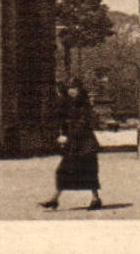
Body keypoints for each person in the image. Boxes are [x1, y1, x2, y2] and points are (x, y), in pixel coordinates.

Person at [40, 80, 102, 212]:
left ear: (80, 89)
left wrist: (68, 136)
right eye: (69, 88)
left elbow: (83, 123)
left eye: (74, 88)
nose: (71, 91)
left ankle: (96, 199)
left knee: (89, 171)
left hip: (86, 143)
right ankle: (54, 199)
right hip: (74, 144)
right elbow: (61, 119)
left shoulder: (85, 104)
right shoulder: (68, 103)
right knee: (64, 170)